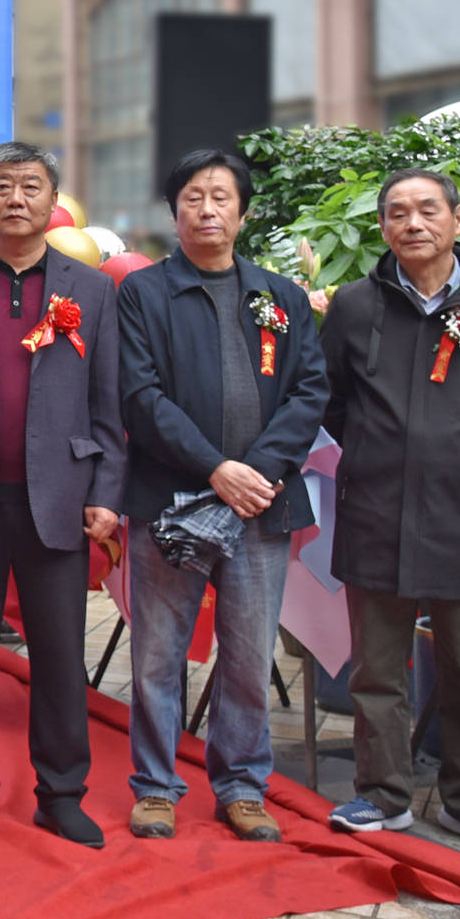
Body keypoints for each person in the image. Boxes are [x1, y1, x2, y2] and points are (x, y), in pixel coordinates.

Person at [321, 169, 460, 857]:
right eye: (396, 213)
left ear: (457, 219)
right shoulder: (355, 306)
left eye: (426, 210)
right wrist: (380, 457)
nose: (412, 223)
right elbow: (332, 400)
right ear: (382, 227)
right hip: (377, 510)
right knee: (377, 667)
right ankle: (382, 793)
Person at [117, 148, 328, 842]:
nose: (207, 210)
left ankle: (241, 783)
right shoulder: (144, 294)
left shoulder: (282, 297)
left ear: (243, 210)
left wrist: (255, 470)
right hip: (173, 503)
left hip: (260, 504)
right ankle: (154, 784)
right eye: (193, 199)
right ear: (174, 212)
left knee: (247, 650)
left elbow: (309, 390)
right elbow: (141, 397)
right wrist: (215, 468)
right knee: (157, 653)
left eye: (220, 197)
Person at [0, 142, 124, 848]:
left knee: (59, 653)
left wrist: (107, 490)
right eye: (3, 186)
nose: (17, 198)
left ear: (52, 201)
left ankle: (61, 790)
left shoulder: (93, 288)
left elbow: (109, 399)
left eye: (31, 186)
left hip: (62, 499)